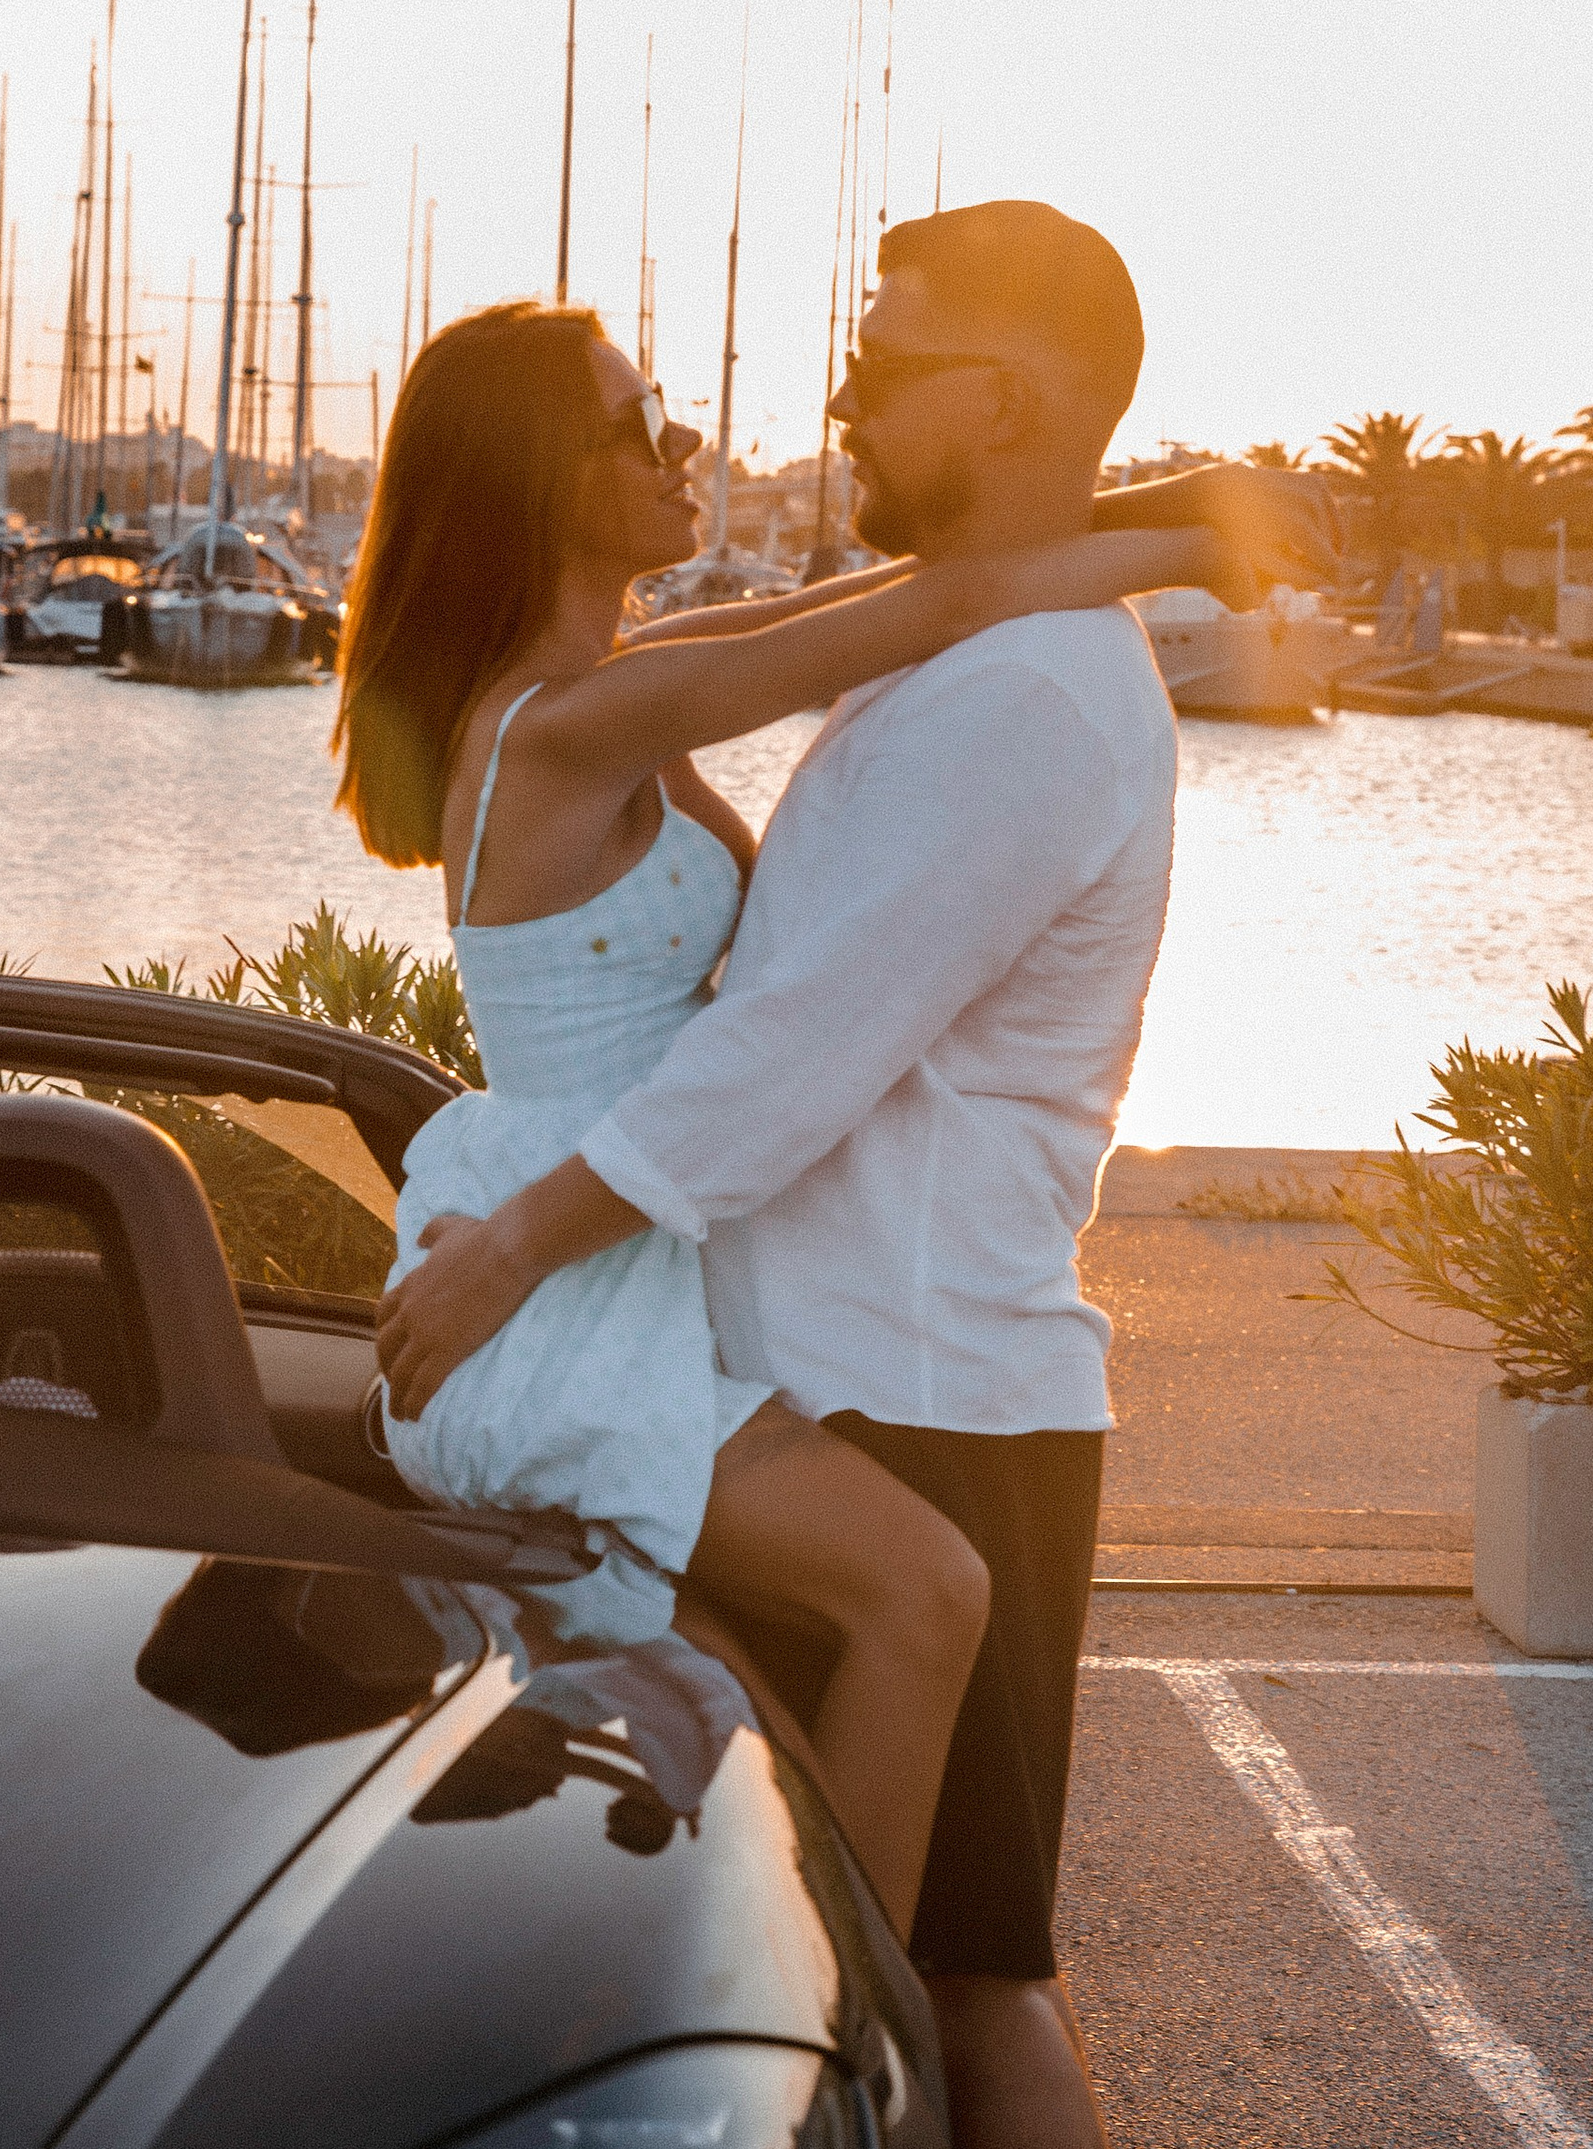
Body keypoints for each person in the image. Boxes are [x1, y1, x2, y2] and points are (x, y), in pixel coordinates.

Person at [380, 202, 1335, 2149]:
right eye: (644, 414)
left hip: (909, 1382)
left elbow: (782, 1054)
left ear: (995, 402)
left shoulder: (1014, 684)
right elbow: (822, 754)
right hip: (751, 1351)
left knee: (972, 1968)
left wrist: (510, 1231)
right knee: (841, 1929)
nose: (816, 391)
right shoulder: (899, 665)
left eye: (878, 352)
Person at [332, 292, 1237, 1951]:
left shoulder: (612, 695)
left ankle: (768, 2001)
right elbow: (926, 606)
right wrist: (1190, 539)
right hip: (558, 1283)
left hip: (619, 1256)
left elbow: (895, 598)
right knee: (924, 1590)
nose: (689, 446)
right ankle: (839, 2049)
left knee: (784, 1669)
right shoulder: (569, 727)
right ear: (549, 482)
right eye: (638, 425)